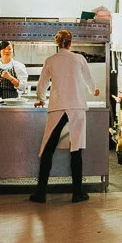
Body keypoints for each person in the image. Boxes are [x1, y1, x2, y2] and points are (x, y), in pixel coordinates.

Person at [30, 29, 100, 203]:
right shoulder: (79, 58)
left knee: (48, 149)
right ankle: (77, 193)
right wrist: (94, 90)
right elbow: (89, 79)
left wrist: (40, 99)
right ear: (70, 43)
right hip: (76, 107)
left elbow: (42, 83)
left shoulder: (50, 60)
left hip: (58, 106)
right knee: (76, 149)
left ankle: (40, 193)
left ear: (57, 43)